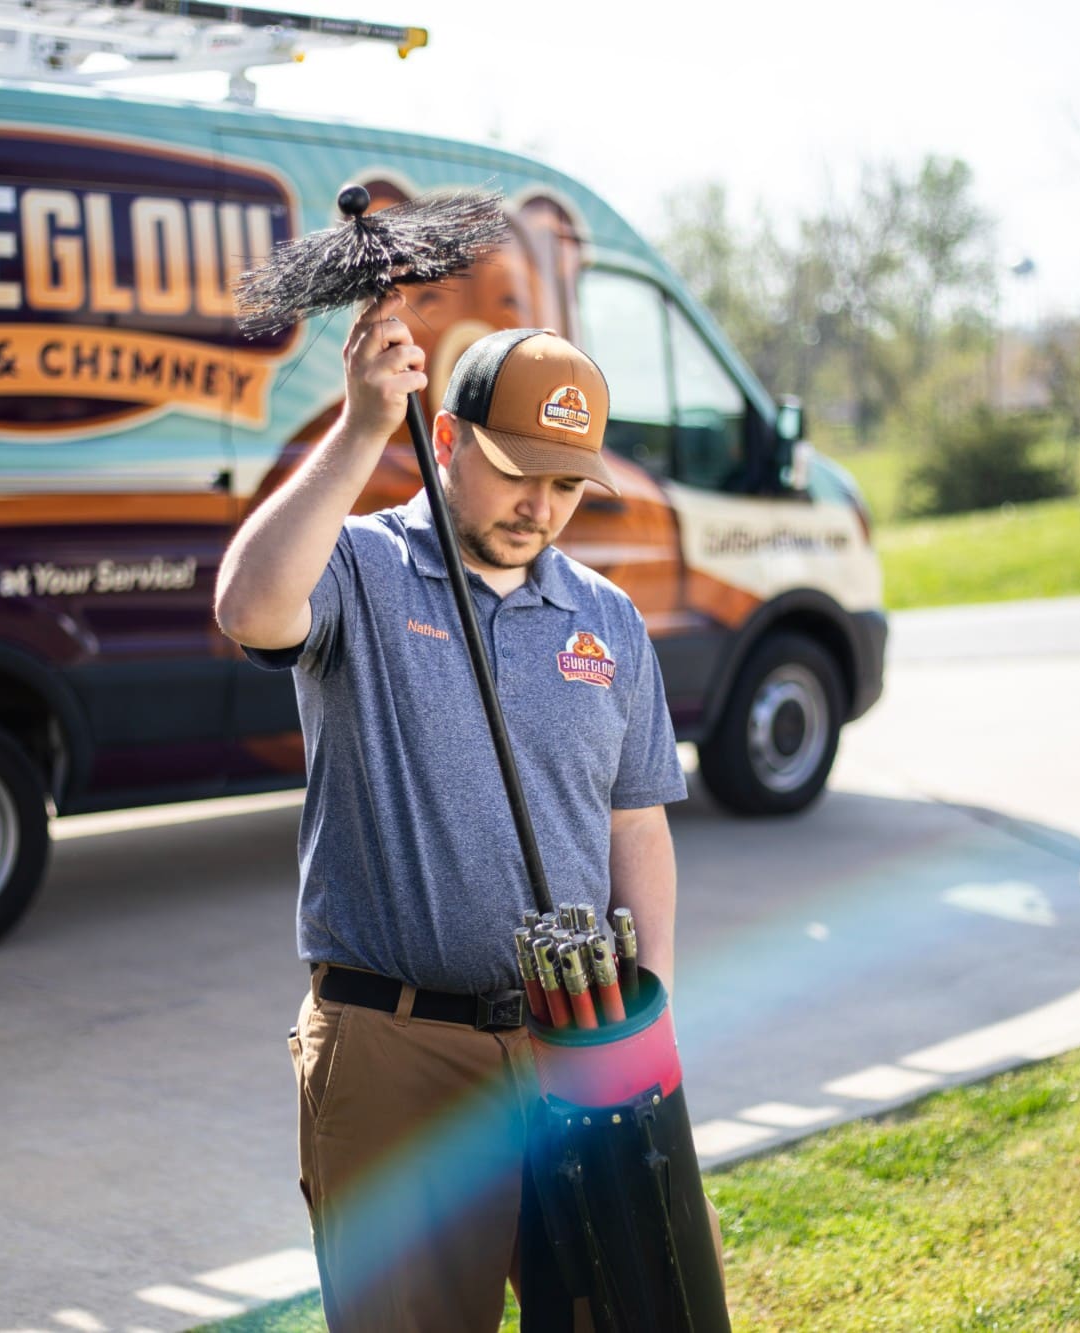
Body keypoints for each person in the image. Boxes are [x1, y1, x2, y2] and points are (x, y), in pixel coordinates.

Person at [214, 294, 688, 1332]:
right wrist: (355, 429)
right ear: (444, 439)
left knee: (623, 1310)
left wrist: (643, 1020)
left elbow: (634, 823)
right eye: (517, 471)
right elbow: (247, 607)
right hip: (395, 1047)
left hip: (570, 1041)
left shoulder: (603, 618)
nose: (541, 506)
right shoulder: (361, 569)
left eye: (567, 483)